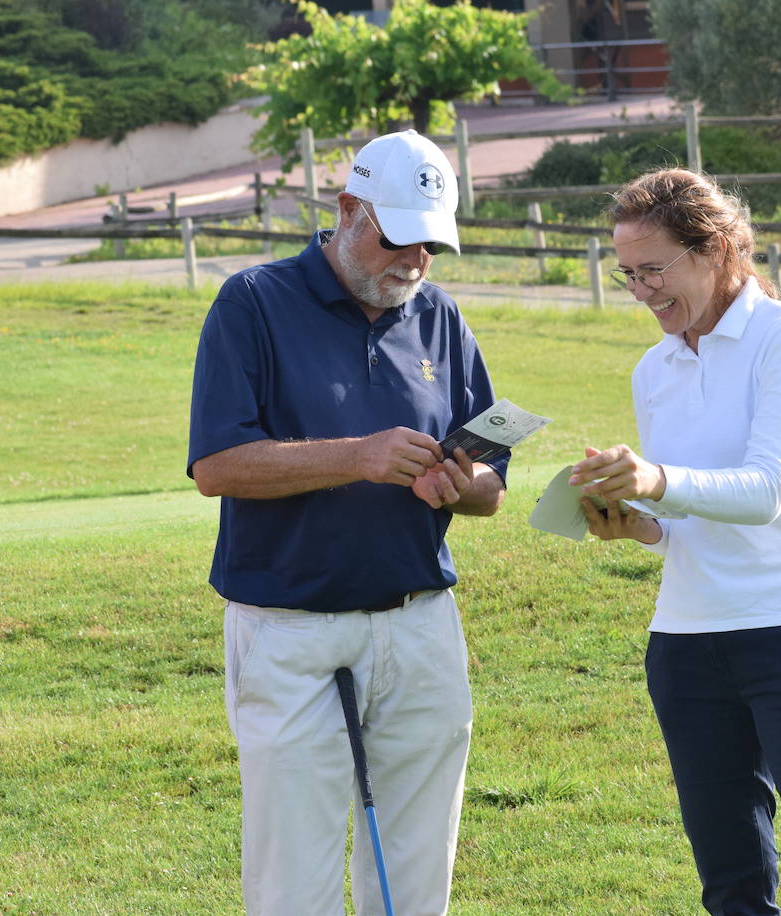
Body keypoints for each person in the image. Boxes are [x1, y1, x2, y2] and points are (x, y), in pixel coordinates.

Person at [187, 129, 508, 916]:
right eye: (398, 238)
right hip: (291, 630)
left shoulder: (441, 317)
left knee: (417, 870)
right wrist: (358, 457)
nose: (415, 262)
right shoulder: (253, 302)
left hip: (421, 625)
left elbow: (494, 481)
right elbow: (216, 467)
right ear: (347, 209)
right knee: (293, 879)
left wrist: (458, 486)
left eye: (431, 245)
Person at [571, 168, 781, 915]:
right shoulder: (651, 370)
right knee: (732, 889)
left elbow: (764, 492)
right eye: (627, 275)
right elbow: (678, 527)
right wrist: (634, 522)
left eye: (654, 269)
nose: (643, 292)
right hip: (687, 650)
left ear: (716, 248)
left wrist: (655, 479)